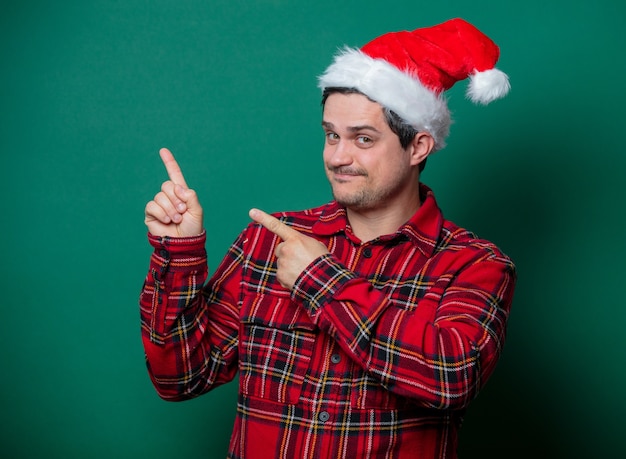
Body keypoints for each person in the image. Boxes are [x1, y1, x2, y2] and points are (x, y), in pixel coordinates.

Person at [140, 18, 516, 459]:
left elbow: (450, 376)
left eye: (363, 138)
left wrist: (320, 280)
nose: (338, 156)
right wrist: (179, 254)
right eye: (331, 135)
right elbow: (180, 375)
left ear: (418, 147)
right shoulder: (269, 240)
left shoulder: (475, 264)